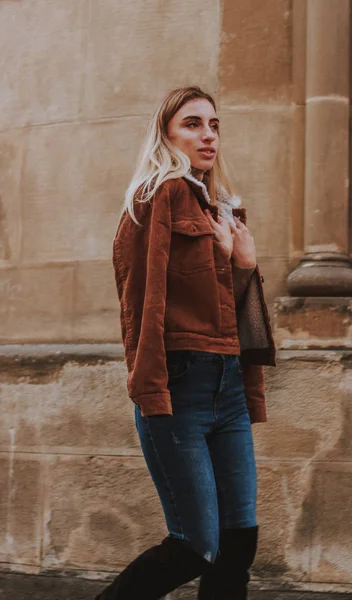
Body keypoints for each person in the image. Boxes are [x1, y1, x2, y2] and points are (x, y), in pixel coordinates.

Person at [96, 86, 276, 600]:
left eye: (215, 124)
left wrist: (242, 261)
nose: (209, 134)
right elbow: (140, 300)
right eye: (193, 123)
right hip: (181, 386)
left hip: (229, 387)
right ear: (167, 134)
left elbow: (241, 319)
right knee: (196, 544)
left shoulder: (224, 210)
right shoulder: (160, 196)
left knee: (239, 539)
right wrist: (148, 387)